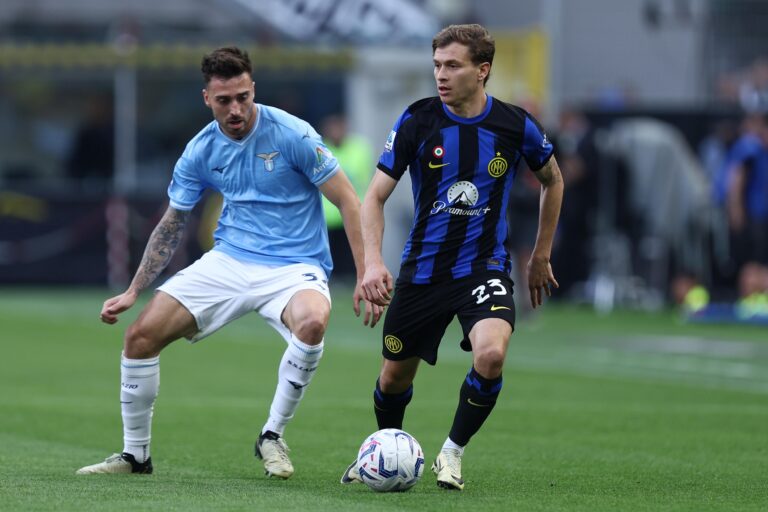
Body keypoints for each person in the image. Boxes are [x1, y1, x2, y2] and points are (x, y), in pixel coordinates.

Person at [76, 47, 380, 478]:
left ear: (253, 89)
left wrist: (367, 270)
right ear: (207, 98)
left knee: (312, 323)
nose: (236, 109)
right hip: (230, 261)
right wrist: (132, 290)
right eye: (224, 100)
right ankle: (135, 456)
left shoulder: (293, 134)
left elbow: (350, 201)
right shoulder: (200, 150)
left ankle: (271, 435)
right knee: (139, 337)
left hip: (294, 265)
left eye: (243, 97)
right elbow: (171, 223)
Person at [340, 24, 563, 490]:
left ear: (482, 71)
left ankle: (451, 453)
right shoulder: (417, 120)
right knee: (393, 379)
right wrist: (375, 263)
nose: (441, 75)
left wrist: (540, 254)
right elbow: (374, 197)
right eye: (437, 65)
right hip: (423, 272)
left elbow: (553, 180)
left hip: (483, 269)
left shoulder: (514, 124)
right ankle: (384, 451)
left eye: (453, 66)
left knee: (491, 354)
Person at [320, 114, 374, 280]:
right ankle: (334, 280)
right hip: (328, 215)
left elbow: (365, 178)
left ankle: (354, 278)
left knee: (353, 249)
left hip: (354, 210)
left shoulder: (360, 148)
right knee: (332, 252)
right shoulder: (320, 149)